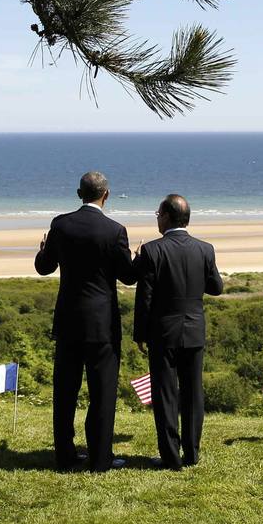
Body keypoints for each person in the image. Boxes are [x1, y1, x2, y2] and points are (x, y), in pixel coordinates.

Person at [35, 171, 136, 472]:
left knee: (64, 392)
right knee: (102, 394)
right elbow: (128, 277)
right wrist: (136, 257)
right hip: (102, 324)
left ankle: (65, 456)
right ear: (106, 195)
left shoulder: (60, 224)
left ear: (78, 194)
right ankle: (101, 459)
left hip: (68, 321)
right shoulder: (115, 230)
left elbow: (44, 267)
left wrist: (42, 250)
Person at [132, 194, 224, 469]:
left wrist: (140, 334)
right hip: (194, 330)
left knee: (166, 394)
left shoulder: (152, 250)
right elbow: (216, 287)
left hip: (163, 332)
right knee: (193, 393)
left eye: (158, 214)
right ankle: (192, 454)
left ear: (168, 217)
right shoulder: (205, 249)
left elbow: (144, 298)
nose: (157, 218)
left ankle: (171, 456)